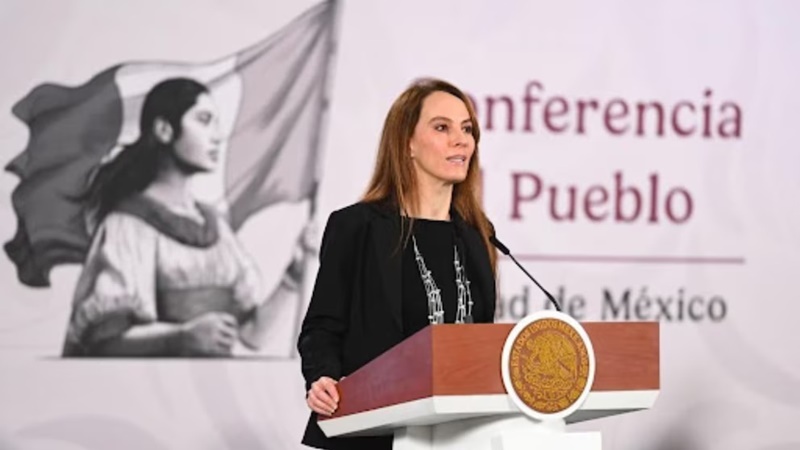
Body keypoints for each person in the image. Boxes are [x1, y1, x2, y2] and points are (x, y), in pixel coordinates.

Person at [297, 78, 499, 450]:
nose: (461, 141)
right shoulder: (357, 226)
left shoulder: (478, 235)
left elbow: (480, 338)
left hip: (456, 434)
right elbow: (322, 325)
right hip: (370, 431)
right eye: (442, 128)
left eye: (467, 129)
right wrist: (322, 376)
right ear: (407, 143)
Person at [62, 77, 310, 357]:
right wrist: (180, 337)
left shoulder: (216, 227)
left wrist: (294, 274)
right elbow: (104, 340)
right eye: (204, 120)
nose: (217, 136)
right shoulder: (127, 225)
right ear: (164, 130)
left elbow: (252, 336)